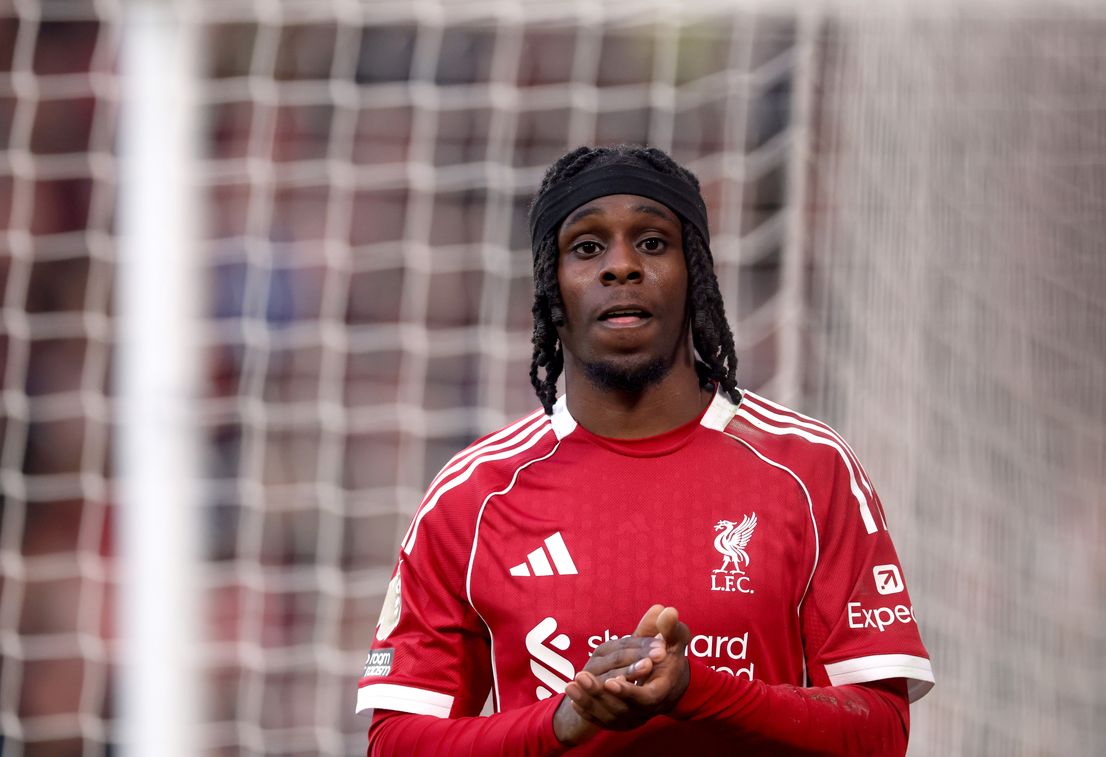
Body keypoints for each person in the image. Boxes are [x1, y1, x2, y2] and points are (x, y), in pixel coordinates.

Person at [356, 145, 935, 754]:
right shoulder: (471, 496)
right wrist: (563, 721)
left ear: (697, 275)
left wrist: (696, 691)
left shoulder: (813, 470)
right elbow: (395, 742)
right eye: (587, 247)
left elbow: (881, 732)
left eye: (653, 243)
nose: (621, 266)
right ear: (550, 288)